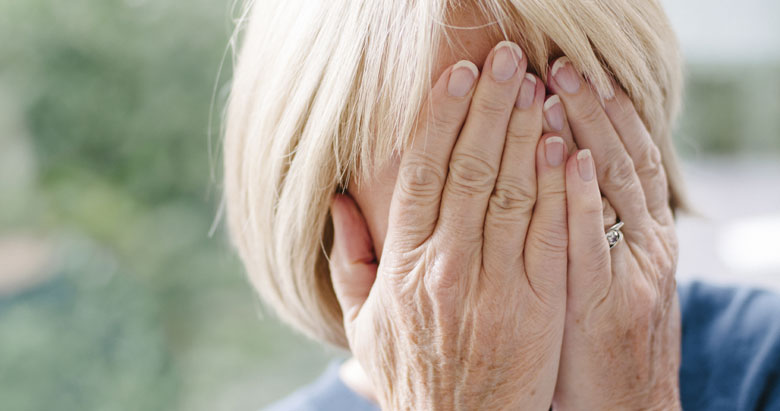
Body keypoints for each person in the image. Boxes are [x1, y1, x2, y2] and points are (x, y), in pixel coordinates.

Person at [222, 0, 780, 409]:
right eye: (467, 162)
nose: (526, 199)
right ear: (330, 205)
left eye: (566, 128)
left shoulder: (764, 360)